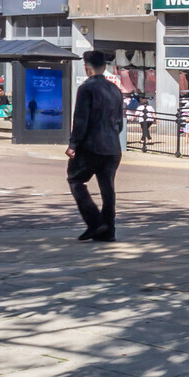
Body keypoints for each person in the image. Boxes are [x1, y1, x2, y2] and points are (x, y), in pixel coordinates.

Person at [66, 50, 124, 243]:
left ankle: (95, 222)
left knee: (75, 179)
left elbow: (81, 120)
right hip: (113, 147)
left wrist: (73, 144)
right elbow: (119, 123)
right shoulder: (115, 89)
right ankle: (109, 230)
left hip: (92, 146)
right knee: (107, 187)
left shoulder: (86, 88)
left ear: (86, 67)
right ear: (104, 66)